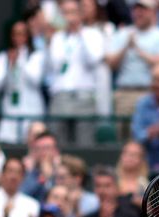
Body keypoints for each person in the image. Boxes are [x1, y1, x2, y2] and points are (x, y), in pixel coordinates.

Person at [45, 0, 104, 146]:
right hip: (60, 95)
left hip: (84, 95)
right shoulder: (58, 38)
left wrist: (80, 34)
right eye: (65, 13)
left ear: (81, 14)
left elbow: (94, 59)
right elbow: (54, 65)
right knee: (58, 141)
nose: (69, 17)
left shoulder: (93, 34)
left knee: (84, 142)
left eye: (73, 13)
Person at [106, 0, 159, 117]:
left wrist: (138, 50)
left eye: (143, 10)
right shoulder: (123, 33)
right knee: (123, 133)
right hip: (125, 92)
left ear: (152, 12)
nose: (139, 13)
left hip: (150, 93)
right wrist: (126, 47)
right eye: (136, 9)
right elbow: (111, 63)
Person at [0, 19, 46, 144]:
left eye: (22, 33)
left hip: (31, 110)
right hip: (10, 110)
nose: (19, 38)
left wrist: (20, 60)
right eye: (15, 34)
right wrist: (9, 65)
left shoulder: (36, 55)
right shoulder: (3, 56)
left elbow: (35, 80)